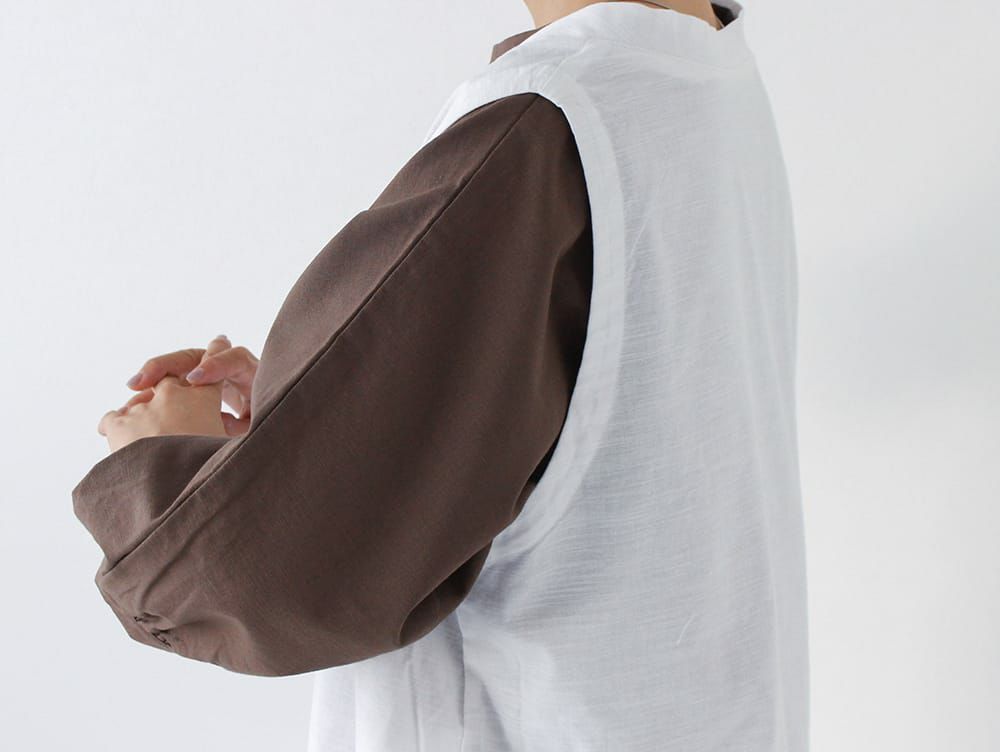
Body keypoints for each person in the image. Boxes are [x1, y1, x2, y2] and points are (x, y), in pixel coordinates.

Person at [73, 1, 809, 750]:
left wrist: (160, 465)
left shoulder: (541, 126)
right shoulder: (700, 71)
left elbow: (255, 577)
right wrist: (342, 417)